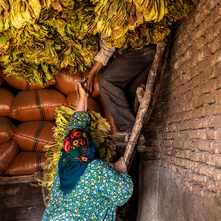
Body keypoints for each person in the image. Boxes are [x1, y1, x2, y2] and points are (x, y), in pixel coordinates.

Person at [42, 83, 133, 221]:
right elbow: (122, 194)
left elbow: (75, 125)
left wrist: (83, 96)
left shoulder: (64, 163)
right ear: (90, 146)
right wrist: (122, 172)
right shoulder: (96, 169)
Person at [84, 34, 156, 132]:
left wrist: (91, 74)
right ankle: (134, 129)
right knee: (127, 93)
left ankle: (130, 129)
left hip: (141, 49)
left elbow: (108, 48)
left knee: (106, 82)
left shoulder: (105, 24)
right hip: (145, 53)